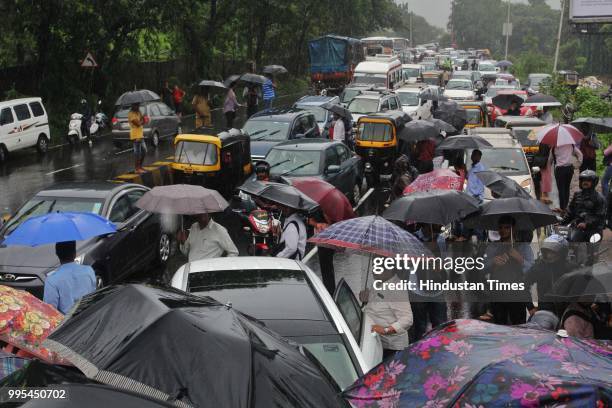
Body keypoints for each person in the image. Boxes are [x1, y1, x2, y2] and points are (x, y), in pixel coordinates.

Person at [484, 216, 534, 325]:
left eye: (507, 227)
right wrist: (493, 262)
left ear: (514, 229)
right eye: (500, 227)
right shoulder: (493, 247)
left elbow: (532, 271)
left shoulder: (523, 247)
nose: (503, 230)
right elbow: (482, 267)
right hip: (497, 293)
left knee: (518, 327)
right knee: (499, 327)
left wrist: (520, 259)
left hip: (517, 295)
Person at [359, 268, 413, 359]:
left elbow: (407, 319)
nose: (373, 271)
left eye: (378, 268)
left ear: (389, 270)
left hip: (390, 348)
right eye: (373, 266)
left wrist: (386, 330)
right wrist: (367, 299)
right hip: (375, 339)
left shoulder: (396, 290)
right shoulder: (378, 282)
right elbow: (380, 306)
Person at [410, 223, 448, 342]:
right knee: (420, 328)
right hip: (418, 291)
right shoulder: (413, 239)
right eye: (436, 221)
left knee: (440, 326)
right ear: (427, 222)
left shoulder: (441, 240)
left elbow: (444, 262)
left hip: (437, 290)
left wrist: (439, 266)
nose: (441, 224)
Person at [562, 170, 606, 264]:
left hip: (594, 230)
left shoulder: (599, 198)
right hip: (578, 228)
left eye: (588, 180)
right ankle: (574, 268)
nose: (585, 182)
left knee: (592, 254)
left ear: (594, 182)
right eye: (583, 180)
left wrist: (586, 223)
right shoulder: (577, 195)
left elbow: (600, 216)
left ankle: (589, 272)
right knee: (572, 245)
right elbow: (571, 211)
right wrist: (562, 222)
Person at [525, 234, 574, 318]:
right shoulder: (539, 267)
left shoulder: (571, 267)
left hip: (567, 311)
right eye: (547, 251)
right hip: (545, 310)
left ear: (562, 252)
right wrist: (531, 307)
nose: (549, 255)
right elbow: (523, 284)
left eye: (553, 251)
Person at [43, 241, 96, 314]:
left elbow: (49, 311)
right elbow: (93, 295)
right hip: (89, 317)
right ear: (75, 253)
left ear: (57, 254)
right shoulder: (89, 270)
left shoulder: (51, 280)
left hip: (68, 323)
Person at [554, 143, 583, 210]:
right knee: (567, 187)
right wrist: (578, 164)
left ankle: (562, 207)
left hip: (559, 169)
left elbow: (550, 159)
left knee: (561, 188)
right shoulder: (571, 145)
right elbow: (580, 154)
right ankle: (566, 206)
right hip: (569, 169)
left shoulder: (555, 147)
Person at [128, 103, 146, 173]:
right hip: (135, 135)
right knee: (137, 152)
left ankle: (140, 167)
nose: (138, 106)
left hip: (140, 134)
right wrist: (142, 121)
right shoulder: (131, 114)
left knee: (144, 151)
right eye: (136, 105)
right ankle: (137, 169)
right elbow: (138, 124)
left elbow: (142, 121)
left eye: (138, 105)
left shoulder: (138, 112)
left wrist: (143, 118)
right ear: (132, 105)